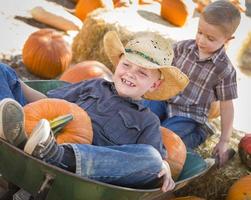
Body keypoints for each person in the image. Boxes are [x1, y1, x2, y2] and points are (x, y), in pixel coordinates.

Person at [0, 31, 189, 192]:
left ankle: (55, 154)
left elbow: (149, 164)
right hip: (41, 133)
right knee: (3, 70)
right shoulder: (94, 86)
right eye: (126, 65)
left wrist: (163, 165)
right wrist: (15, 82)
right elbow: (49, 103)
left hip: (79, 169)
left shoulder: (148, 121)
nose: (130, 73)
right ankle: (11, 131)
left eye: (142, 73)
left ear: (155, 84)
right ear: (117, 64)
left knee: (152, 159)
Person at [143, 0, 241, 166]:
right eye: (199, 32)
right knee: (141, 119)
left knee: (166, 140)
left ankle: (201, 132)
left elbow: (226, 106)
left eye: (210, 38)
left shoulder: (224, 70)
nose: (201, 40)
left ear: (227, 39)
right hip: (164, 99)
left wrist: (224, 140)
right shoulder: (182, 48)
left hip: (188, 113)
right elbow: (162, 68)